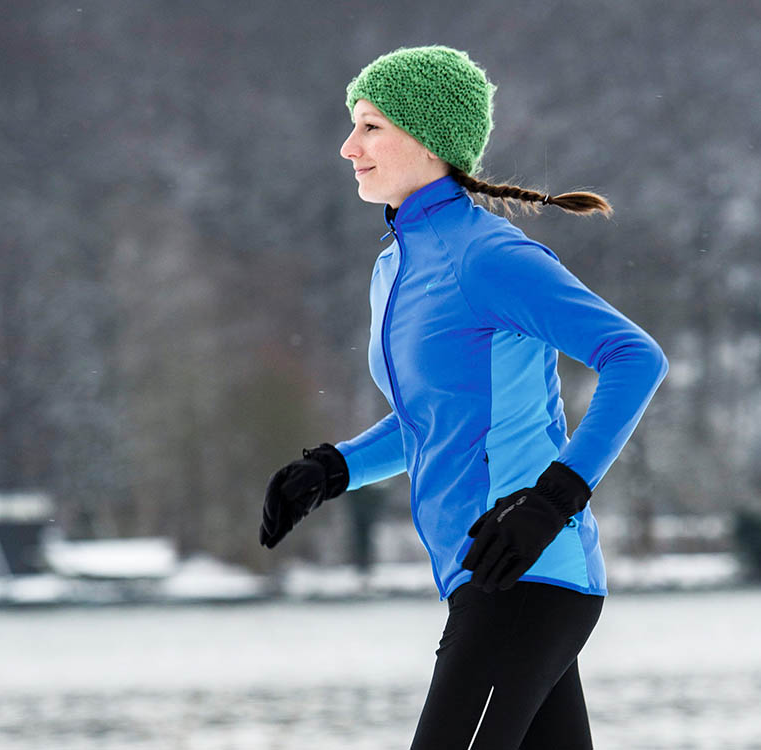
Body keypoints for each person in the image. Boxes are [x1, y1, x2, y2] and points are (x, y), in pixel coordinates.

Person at [259, 45, 668, 749]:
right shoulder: (397, 266)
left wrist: (554, 500)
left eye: (370, 127)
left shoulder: (487, 256)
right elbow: (439, 416)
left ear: (427, 140)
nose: (348, 146)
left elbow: (635, 357)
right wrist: (334, 468)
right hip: (489, 577)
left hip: (528, 573)